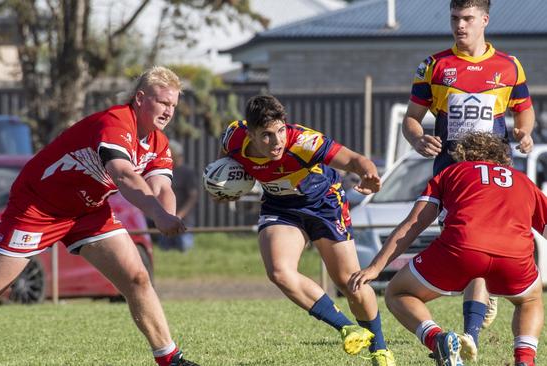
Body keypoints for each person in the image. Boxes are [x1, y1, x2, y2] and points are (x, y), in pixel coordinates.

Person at [0, 66, 199, 366]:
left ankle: (170, 359)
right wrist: (158, 215)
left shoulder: (157, 141)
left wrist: (167, 216)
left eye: (173, 104)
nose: (168, 111)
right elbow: (123, 176)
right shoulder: (115, 123)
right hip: (40, 206)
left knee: (137, 277)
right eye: (162, 102)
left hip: (87, 210)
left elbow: (162, 185)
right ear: (140, 98)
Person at [211, 94, 395, 365]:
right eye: (266, 136)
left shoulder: (304, 142)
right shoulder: (233, 137)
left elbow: (355, 159)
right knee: (279, 272)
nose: (276, 143)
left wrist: (370, 175)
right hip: (280, 208)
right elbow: (225, 168)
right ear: (249, 133)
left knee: (349, 282)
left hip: (324, 204)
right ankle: (347, 328)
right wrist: (224, 190)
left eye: (280, 132)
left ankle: (379, 347)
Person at [402, 0, 536, 356]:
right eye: (454, 18)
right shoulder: (434, 66)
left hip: (494, 173)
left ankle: (470, 334)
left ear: (484, 20)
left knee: (478, 238)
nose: (460, 26)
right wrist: (417, 138)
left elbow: (525, 112)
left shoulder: (509, 67)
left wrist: (523, 134)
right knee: (466, 241)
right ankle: (478, 308)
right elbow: (412, 117)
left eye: (467, 19)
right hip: (450, 171)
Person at [349, 132, 545, 366]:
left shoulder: (451, 172)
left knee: (397, 293)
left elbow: (414, 223)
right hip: (514, 255)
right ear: (503, 158)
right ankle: (524, 360)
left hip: (462, 248)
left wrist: (375, 267)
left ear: (463, 154)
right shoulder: (523, 181)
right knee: (530, 300)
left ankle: (438, 339)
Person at [158, 141, 199, 252]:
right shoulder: (165, 171)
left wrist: (179, 215)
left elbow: (193, 197)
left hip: (184, 222)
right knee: (164, 250)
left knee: (184, 249)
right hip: (166, 220)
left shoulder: (187, 173)